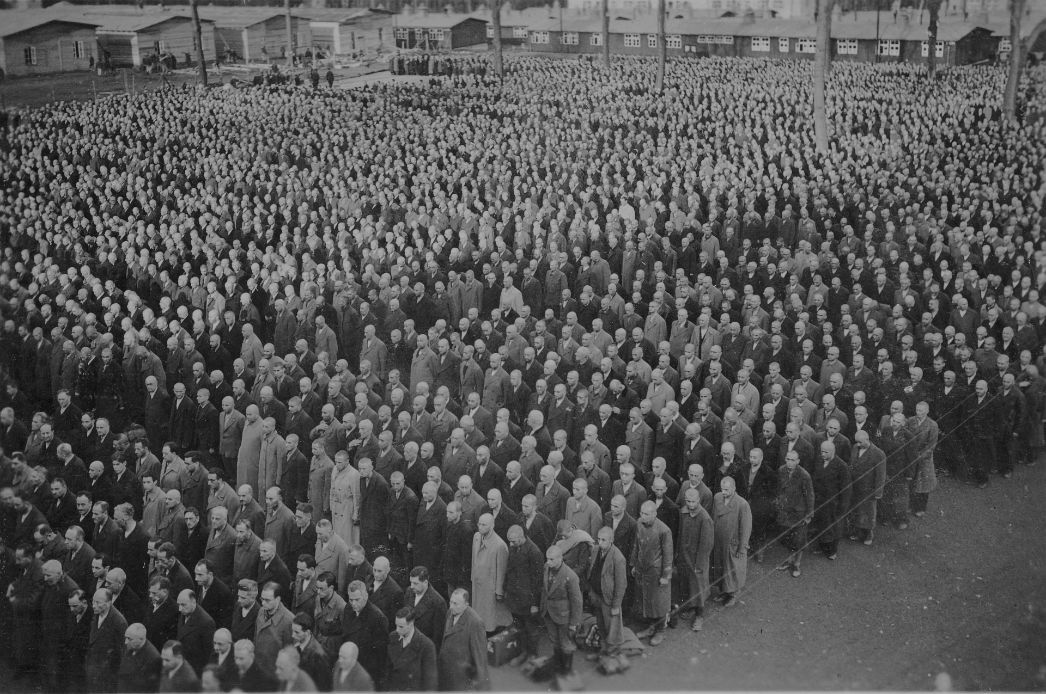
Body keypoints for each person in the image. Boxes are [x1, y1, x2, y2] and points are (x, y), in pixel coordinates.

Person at [632, 500, 673, 646]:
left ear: (655, 514)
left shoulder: (664, 530)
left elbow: (668, 555)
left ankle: (660, 631)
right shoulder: (638, 524)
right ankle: (651, 627)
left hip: (657, 572)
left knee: (659, 603)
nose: (643, 516)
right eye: (642, 513)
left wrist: (665, 576)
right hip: (643, 569)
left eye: (647, 514)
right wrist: (634, 564)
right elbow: (636, 545)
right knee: (647, 600)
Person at [676, 487, 715, 631]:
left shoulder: (705, 518)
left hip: (697, 559)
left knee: (698, 586)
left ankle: (699, 615)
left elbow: (706, 545)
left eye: (693, 501)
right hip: (684, 556)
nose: (690, 504)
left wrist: (700, 564)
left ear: (698, 501)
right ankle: (689, 607)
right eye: (688, 501)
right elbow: (680, 534)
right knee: (686, 584)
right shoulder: (683, 513)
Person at [541, 545, 583, 677]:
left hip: (564, 616)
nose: (548, 562)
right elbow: (544, 590)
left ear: (560, 558)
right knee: (554, 640)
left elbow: (577, 601)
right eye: (547, 559)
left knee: (566, 643)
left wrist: (574, 623)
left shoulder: (571, 576)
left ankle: (566, 671)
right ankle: (558, 663)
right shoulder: (546, 567)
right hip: (548, 612)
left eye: (552, 559)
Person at [437, 588, 491, 691]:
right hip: (445, 671)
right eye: (451, 602)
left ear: (466, 604)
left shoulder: (475, 623)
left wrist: (479, 686)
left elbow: (480, 657)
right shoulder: (450, 613)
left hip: (461, 677)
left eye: (456, 604)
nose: (451, 606)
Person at [710, 477, 752, 606]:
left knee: (732, 570)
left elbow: (746, 528)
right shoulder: (717, 498)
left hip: (732, 543)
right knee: (720, 567)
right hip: (718, 541)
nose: (723, 492)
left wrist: (742, 547)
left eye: (727, 489)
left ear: (734, 488)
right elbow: (713, 517)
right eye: (722, 489)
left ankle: (733, 594)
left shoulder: (742, 504)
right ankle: (724, 591)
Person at [587, 526, 627, 653]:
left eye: (604, 540)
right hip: (597, 595)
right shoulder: (595, 550)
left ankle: (613, 653)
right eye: (598, 539)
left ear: (611, 540)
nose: (600, 542)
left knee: (612, 628)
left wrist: (616, 605)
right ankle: (603, 650)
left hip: (608, 599)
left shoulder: (618, 558)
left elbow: (621, 584)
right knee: (601, 624)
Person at [470, 512, 512, 633]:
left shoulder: (500, 545)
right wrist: (473, 577)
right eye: (479, 524)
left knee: (489, 616)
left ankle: (489, 634)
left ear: (492, 526)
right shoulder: (476, 537)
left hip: (489, 586)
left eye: (484, 525)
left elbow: (502, 571)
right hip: (477, 583)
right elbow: (474, 559)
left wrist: (499, 591)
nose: (480, 527)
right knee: (478, 611)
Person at [776, 450, 815, 578]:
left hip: (799, 513)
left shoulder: (804, 475)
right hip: (786, 511)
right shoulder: (781, 470)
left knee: (799, 540)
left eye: (793, 460)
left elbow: (810, 496)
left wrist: (809, 515)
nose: (789, 462)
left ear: (798, 461)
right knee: (788, 538)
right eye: (788, 459)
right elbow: (779, 490)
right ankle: (790, 560)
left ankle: (797, 563)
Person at [385, 607, 439, 692]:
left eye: (401, 627)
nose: (397, 630)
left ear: (411, 625)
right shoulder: (393, 637)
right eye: (396, 625)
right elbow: (387, 670)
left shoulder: (426, 646)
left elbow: (430, 684)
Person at [118, 622, 162, 693]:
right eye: (125, 638)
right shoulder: (131, 647)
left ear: (141, 639)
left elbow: (149, 689)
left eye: (129, 639)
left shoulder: (153, 659)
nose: (126, 642)